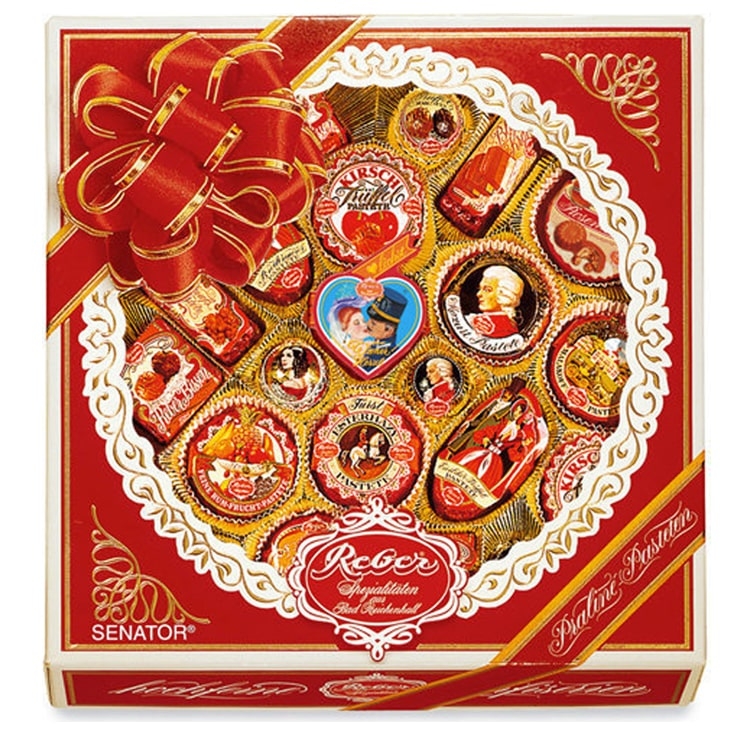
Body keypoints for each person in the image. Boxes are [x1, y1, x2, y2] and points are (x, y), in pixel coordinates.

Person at [466, 265, 524, 338]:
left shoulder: (505, 329)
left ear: (504, 295)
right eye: (479, 289)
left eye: (487, 290)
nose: (478, 294)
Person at [360, 289, 407, 372]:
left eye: (373, 323)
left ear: (388, 331)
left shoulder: (390, 354)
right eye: (369, 320)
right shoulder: (375, 347)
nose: (368, 324)